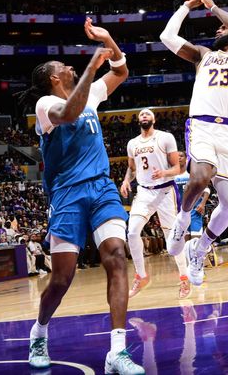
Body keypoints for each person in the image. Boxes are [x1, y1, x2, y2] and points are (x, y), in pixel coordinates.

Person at [18, 19, 143, 374]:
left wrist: (109, 41)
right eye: (64, 67)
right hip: (68, 194)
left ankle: (117, 351)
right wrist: (92, 63)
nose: (70, 66)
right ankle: (39, 331)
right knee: (62, 278)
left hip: (102, 187)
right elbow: (69, 111)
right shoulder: (45, 104)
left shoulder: (91, 96)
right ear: (54, 78)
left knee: (117, 256)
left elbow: (120, 70)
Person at [160, 0, 228, 286]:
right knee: (202, 175)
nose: (217, 30)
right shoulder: (202, 54)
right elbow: (166, 37)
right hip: (202, 125)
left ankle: (199, 249)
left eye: (220, 28)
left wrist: (212, 6)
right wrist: (186, 7)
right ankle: (182, 220)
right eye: (216, 28)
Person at [120, 109, 191, 300]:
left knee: (172, 240)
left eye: (147, 114)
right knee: (132, 232)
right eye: (141, 114)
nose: (144, 115)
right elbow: (132, 168)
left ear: (154, 119)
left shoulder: (165, 138)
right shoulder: (132, 143)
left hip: (165, 190)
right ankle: (141, 276)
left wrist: (164, 173)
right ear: (138, 120)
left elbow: (177, 168)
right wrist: (127, 180)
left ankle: (184, 277)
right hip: (144, 191)